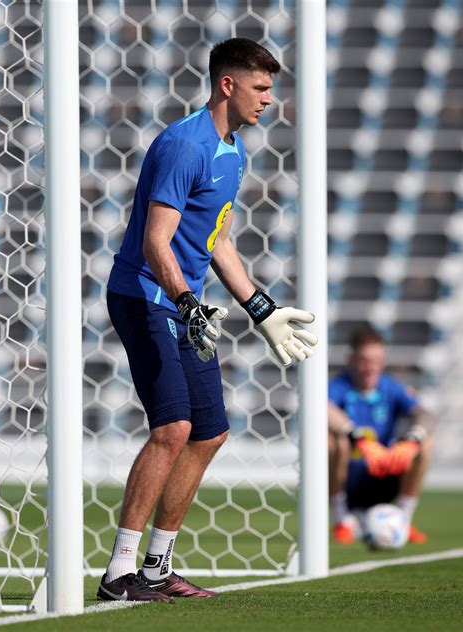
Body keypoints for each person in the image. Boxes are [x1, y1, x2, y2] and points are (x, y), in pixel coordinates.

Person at [98, 38, 318, 602]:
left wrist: (259, 307)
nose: (270, 100)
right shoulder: (185, 145)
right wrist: (187, 302)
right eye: (262, 88)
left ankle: (155, 568)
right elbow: (155, 242)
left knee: (210, 432)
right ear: (229, 84)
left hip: (182, 305)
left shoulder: (232, 149)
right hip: (146, 296)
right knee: (172, 428)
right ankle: (118, 574)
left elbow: (214, 237)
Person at [328, 327, 435, 545]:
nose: (371, 367)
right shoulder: (338, 386)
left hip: (383, 473)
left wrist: (412, 439)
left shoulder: (391, 388)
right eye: (364, 360)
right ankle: (341, 521)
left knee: (425, 442)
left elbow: (426, 415)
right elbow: (322, 408)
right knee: (333, 440)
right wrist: (357, 437)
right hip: (349, 480)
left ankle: (404, 518)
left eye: (377, 360)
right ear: (351, 360)